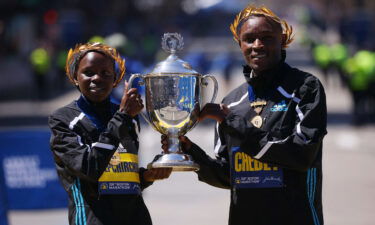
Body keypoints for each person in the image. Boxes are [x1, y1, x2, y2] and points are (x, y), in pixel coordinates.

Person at [162, 4, 327, 225]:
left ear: (282, 40)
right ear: (240, 44)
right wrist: (189, 150)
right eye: (249, 39)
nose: (257, 45)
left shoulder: (305, 87)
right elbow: (228, 175)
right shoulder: (232, 102)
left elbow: (301, 155)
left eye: (267, 38)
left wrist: (232, 122)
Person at [49, 42, 171, 225]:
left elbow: (122, 175)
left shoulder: (128, 116)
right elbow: (89, 169)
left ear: (115, 79)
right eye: (88, 72)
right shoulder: (63, 119)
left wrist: (146, 176)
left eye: (106, 73)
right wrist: (122, 117)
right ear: (75, 77)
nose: (97, 78)